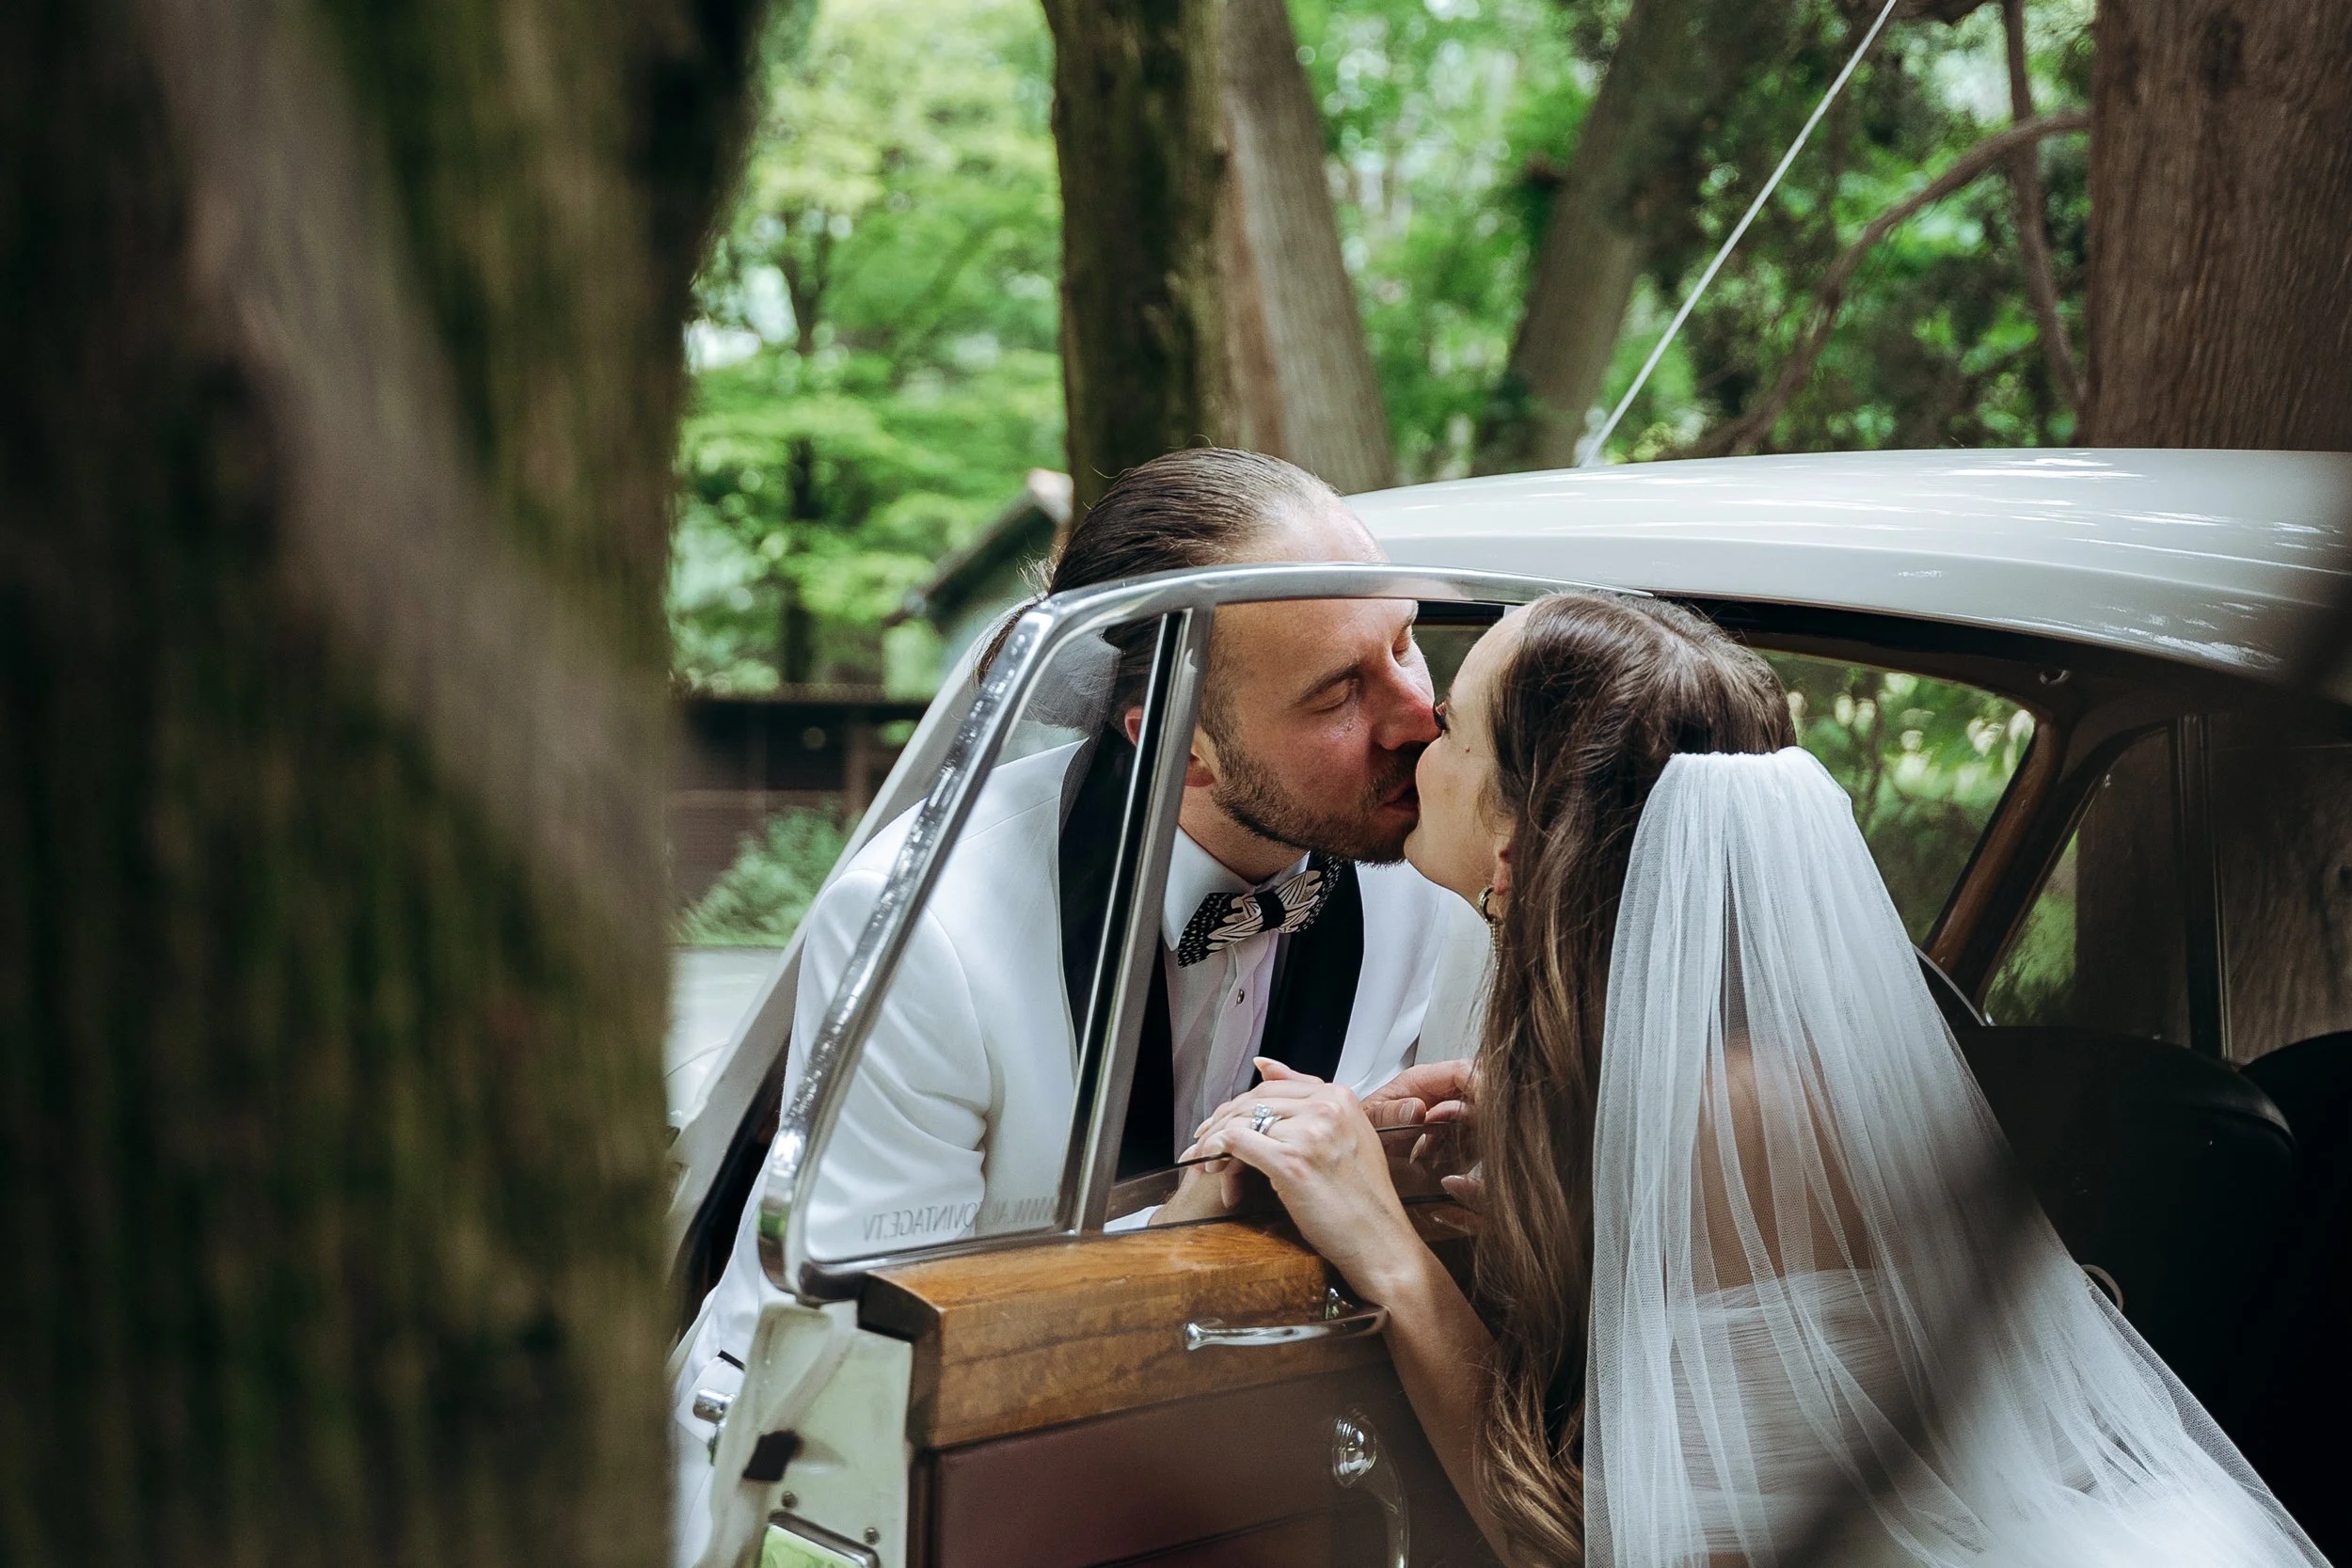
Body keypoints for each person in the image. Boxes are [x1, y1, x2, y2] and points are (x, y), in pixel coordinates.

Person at [1190, 591, 2328, 1568]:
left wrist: (1384, 1246)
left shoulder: (1736, 1112)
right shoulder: (1655, 1075)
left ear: (1518, 849)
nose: (1411, 742)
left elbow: (1607, 1549)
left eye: (1451, 727)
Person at [671, 448, 1470, 1566]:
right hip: (825, 1487)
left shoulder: (1420, 878)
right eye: (1340, 689)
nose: (1418, 715)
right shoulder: (930, 927)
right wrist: (1193, 1222)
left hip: (1215, 1475)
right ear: (1177, 743)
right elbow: (878, 1331)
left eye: (1405, 642)